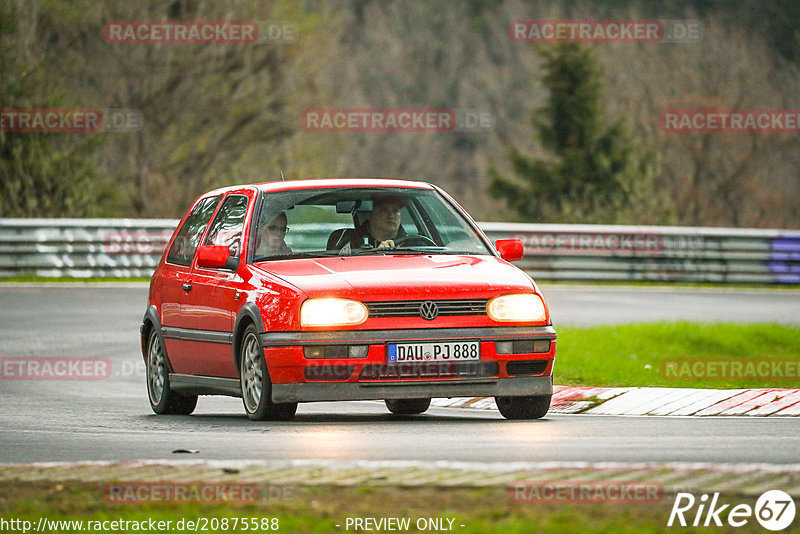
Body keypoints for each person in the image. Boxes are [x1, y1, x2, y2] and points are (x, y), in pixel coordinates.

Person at [340, 194, 407, 254]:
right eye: (384, 210)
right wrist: (376, 254)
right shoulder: (352, 245)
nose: (391, 215)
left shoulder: (411, 245)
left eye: (396, 210)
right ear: (370, 215)